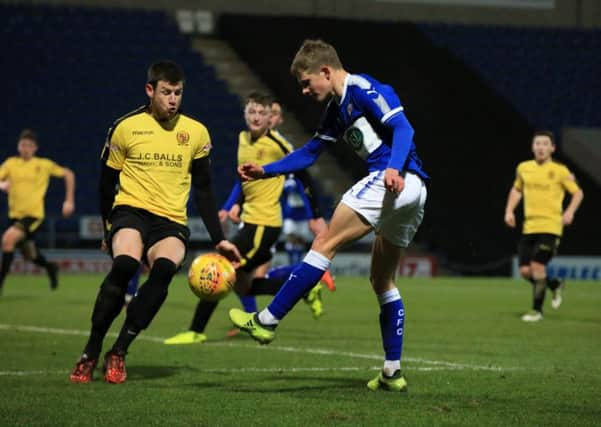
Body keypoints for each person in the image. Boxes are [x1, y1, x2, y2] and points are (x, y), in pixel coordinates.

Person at [230, 39, 428, 393]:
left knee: (324, 242)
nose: (304, 91)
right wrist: (266, 170)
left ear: (326, 71)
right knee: (382, 281)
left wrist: (394, 169)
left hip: (395, 179)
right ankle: (392, 371)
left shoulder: (364, 89)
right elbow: (309, 154)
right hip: (409, 192)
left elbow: (404, 129)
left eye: (307, 82)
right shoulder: (337, 110)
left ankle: (266, 319)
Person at [69, 60, 240, 384]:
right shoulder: (125, 127)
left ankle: (119, 350)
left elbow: (203, 189)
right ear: (150, 90)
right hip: (130, 211)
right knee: (125, 265)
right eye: (166, 92)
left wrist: (219, 238)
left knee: (163, 271)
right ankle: (90, 350)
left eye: (178, 93)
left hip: (170, 219)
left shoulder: (196, 132)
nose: (173, 99)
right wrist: (108, 227)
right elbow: (106, 185)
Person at [163, 92, 329, 345]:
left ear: (269, 118)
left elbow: (303, 173)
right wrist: (234, 205)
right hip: (250, 220)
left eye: (262, 113)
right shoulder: (242, 139)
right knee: (244, 286)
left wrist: (314, 215)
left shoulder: (277, 144)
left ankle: (196, 330)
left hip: (264, 225)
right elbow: (244, 178)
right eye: (252, 112)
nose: (256, 117)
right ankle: (304, 288)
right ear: (245, 114)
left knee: (218, 268)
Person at [504, 130, 583, 322]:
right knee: (525, 271)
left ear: (552, 148)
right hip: (529, 227)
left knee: (537, 266)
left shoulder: (560, 171)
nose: (541, 147)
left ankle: (536, 311)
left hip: (551, 226)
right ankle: (554, 285)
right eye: (537, 143)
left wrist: (570, 211)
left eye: (545, 144)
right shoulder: (523, 168)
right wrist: (509, 211)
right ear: (532, 147)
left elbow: (578, 193)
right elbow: (516, 190)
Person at [0, 129, 75, 295]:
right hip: (14, 216)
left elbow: (68, 174)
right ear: (18, 146)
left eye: (29, 145)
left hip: (33, 215)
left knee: (7, 240)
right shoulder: (10, 164)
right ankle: (51, 267)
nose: (26, 148)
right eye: (23, 145)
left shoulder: (43, 164)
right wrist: (2, 185)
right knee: (30, 255)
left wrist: (69, 200)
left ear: (35, 148)